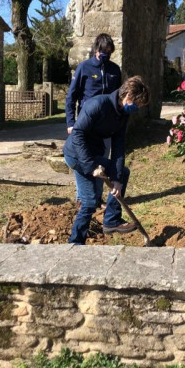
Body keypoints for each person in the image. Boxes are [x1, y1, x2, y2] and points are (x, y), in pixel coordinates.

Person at [63, 76, 149, 245]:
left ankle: (111, 220)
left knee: (122, 173)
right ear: (128, 96)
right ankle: (75, 242)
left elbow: (118, 146)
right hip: (76, 154)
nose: (137, 109)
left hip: (94, 154)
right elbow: (78, 134)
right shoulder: (97, 105)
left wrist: (116, 180)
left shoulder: (122, 114)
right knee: (89, 201)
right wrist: (91, 166)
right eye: (137, 105)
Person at [66, 33, 122, 206]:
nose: (106, 56)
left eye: (109, 53)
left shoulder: (114, 70)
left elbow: (119, 96)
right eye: (104, 52)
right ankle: (82, 200)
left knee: (101, 163)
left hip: (104, 126)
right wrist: (70, 123)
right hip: (86, 124)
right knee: (85, 160)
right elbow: (71, 97)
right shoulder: (84, 68)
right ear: (97, 50)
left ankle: (97, 198)